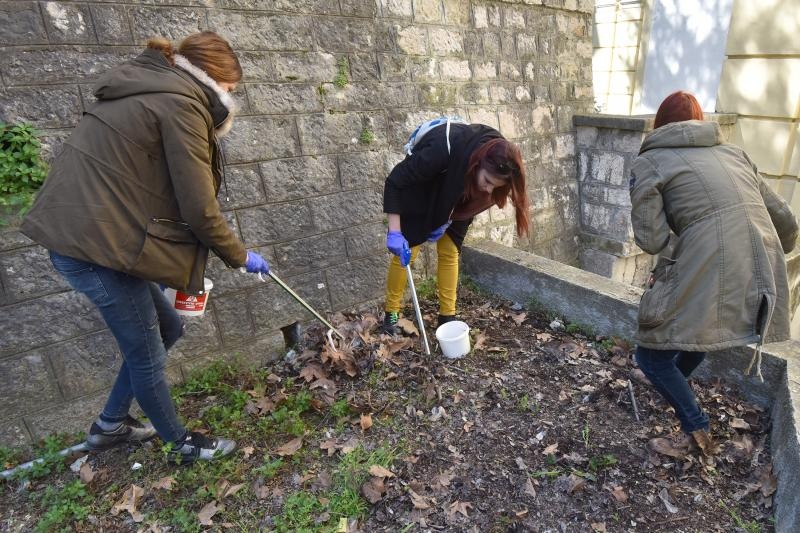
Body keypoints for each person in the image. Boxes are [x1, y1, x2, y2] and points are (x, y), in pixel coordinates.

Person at [21, 32, 271, 464]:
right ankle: (180, 444)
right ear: (212, 79)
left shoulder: (149, 87)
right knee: (146, 350)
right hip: (91, 247)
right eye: (230, 92)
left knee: (168, 327)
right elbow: (198, 207)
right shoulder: (180, 103)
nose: (230, 102)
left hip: (95, 238)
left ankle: (109, 426)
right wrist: (239, 254)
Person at [629, 91, 798, 454]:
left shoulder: (651, 161)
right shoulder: (735, 153)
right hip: (761, 256)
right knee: (702, 333)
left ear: (660, 123)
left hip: (709, 257)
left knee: (650, 356)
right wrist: (774, 252)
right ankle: (677, 387)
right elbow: (784, 218)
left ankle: (696, 429)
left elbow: (652, 238)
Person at [380, 119, 530, 334]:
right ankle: (391, 314)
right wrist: (395, 231)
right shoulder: (441, 148)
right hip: (426, 187)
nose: (489, 190)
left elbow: (485, 191)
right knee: (408, 251)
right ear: (478, 164)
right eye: (487, 181)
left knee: (450, 250)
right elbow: (395, 181)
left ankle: (447, 316)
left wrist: (449, 217)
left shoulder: (500, 161)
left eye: (495, 186)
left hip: (462, 193)